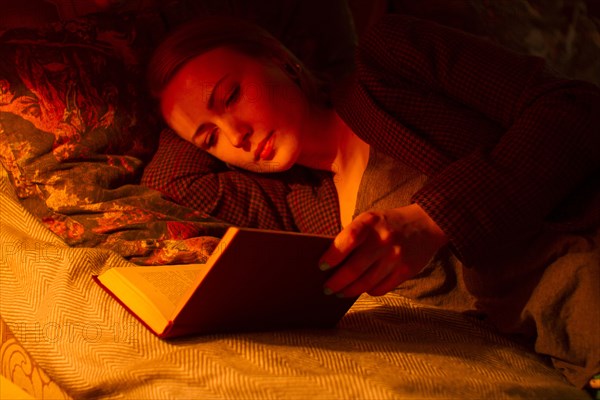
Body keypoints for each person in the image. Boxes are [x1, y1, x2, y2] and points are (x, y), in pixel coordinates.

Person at [142, 14, 600, 390]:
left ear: (280, 59)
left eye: (231, 96)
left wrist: (433, 220)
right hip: (569, 356)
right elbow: (171, 178)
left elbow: (576, 106)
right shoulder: (297, 208)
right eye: (210, 137)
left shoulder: (390, 61)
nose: (236, 136)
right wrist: (179, 106)